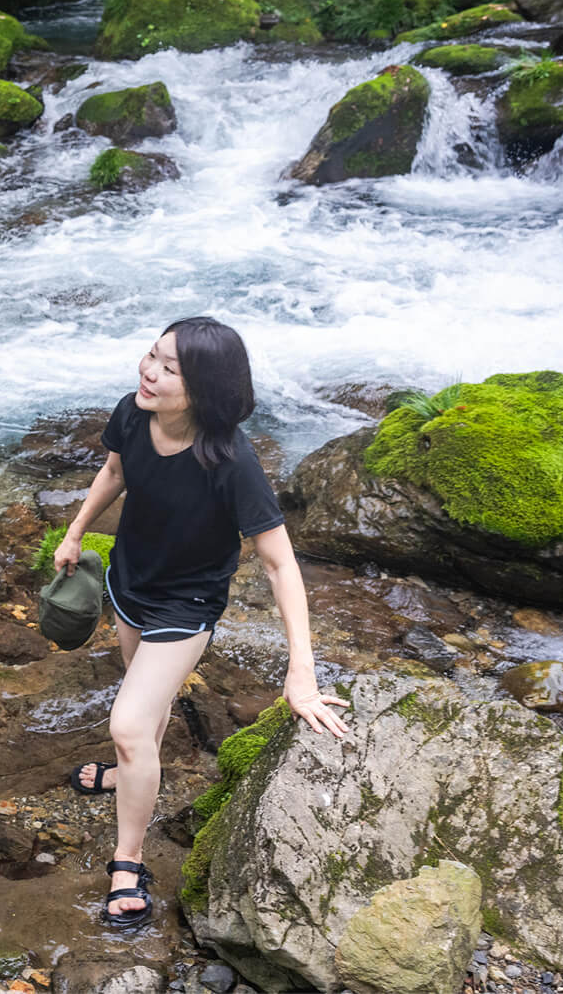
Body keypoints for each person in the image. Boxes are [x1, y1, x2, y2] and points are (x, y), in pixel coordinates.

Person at [52, 317, 350, 930]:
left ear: (206, 388)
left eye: (167, 367)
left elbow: (279, 563)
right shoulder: (134, 412)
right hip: (130, 582)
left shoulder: (231, 460)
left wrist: (302, 673)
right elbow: (114, 473)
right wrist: (76, 531)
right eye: (150, 355)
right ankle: (123, 775)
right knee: (144, 702)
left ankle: (128, 862)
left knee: (130, 723)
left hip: (185, 610)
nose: (148, 371)